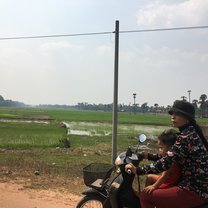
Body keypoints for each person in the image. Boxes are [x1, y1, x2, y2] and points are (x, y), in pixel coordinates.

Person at [125, 100, 208, 208]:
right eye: (172, 113)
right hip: (193, 186)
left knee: (145, 196)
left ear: (187, 118)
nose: (173, 116)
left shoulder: (186, 138)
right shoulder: (189, 134)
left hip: (194, 190)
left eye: (177, 114)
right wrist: (148, 156)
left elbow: (165, 163)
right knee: (151, 182)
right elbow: (171, 156)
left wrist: (139, 170)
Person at [143, 129, 181, 194]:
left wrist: (154, 186)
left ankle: (147, 195)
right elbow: (158, 158)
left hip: (169, 183)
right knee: (149, 177)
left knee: (145, 195)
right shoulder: (171, 156)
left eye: (161, 147)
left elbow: (164, 176)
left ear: (170, 148)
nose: (159, 150)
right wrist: (147, 156)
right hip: (169, 179)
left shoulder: (169, 160)